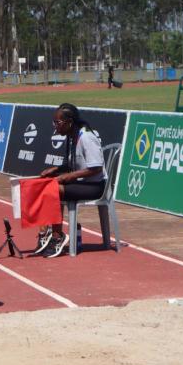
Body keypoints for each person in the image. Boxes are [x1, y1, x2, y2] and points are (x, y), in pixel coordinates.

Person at [33, 103, 105, 258]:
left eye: (58, 123)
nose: (55, 126)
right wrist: (56, 169)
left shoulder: (86, 137)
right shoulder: (72, 137)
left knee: (53, 189)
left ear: (69, 122)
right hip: (81, 183)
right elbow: (74, 163)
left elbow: (96, 167)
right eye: (54, 122)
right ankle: (44, 233)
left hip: (95, 186)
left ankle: (58, 236)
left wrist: (68, 176)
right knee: (45, 184)